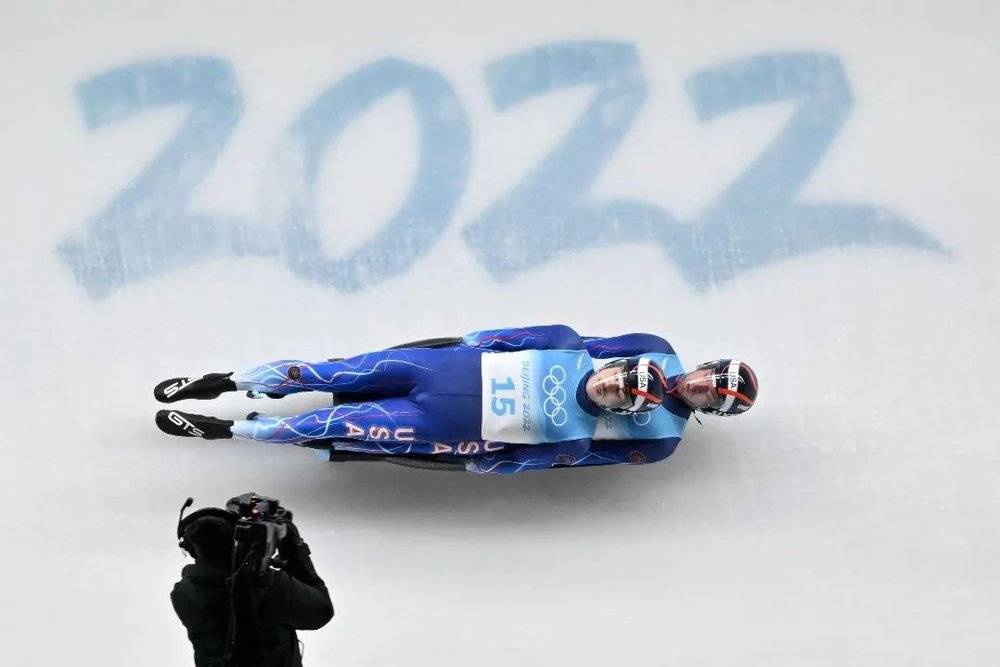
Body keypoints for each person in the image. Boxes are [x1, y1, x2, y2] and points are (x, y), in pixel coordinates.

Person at [155, 325, 758, 474]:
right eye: (709, 376)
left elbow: (573, 459)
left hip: (452, 422)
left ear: (708, 410)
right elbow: (567, 342)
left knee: (326, 423)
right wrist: (474, 342)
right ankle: (227, 381)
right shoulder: (643, 349)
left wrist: (477, 459)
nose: (700, 385)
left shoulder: (650, 439)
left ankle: (230, 431)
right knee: (324, 371)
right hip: (446, 369)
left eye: (710, 395)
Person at [171, 500, 334, 666]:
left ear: (191, 549)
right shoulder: (265, 586)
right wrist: (294, 549)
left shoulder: (184, 592)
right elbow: (321, 611)